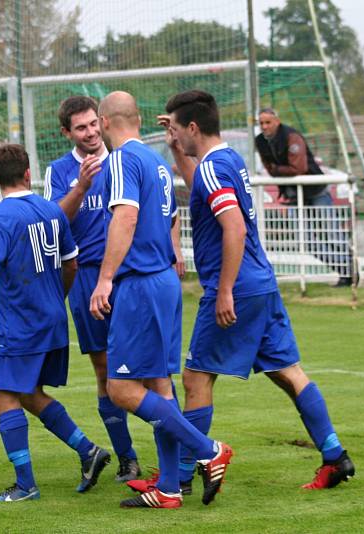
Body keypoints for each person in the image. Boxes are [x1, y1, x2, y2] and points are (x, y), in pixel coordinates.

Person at [147, 90, 354, 492]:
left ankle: (184, 475)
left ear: (193, 127)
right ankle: (335, 455)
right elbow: (205, 191)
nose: (174, 134)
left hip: (238, 288)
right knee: (287, 372)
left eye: (176, 128)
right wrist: (177, 152)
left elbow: (235, 228)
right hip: (261, 283)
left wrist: (224, 291)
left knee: (195, 377)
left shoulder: (212, 166)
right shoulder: (226, 160)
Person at [89, 91, 233, 509]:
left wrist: (105, 279)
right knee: (159, 386)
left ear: (103, 122)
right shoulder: (156, 162)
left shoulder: (122, 160)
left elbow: (126, 217)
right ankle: (169, 487)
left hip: (139, 284)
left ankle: (208, 450)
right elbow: (170, 220)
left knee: (120, 387)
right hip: (163, 280)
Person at [0, 144, 110, 503]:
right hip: (53, 321)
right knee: (28, 393)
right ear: (29, 173)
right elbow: (72, 263)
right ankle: (88, 451)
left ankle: (25, 484)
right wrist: (56, 298)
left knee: (3, 397)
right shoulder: (52, 211)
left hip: (21, 325)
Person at [42, 96, 141, 482]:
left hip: (129, 274)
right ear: (67, 132)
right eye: (80, 128)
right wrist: (80, 187)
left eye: (93, 125)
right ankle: (127, 457)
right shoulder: (60, 171)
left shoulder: (124, 159)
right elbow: (54, 222)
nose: (90, 133)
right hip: (85, 278)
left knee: (150, 369)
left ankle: (180, 454)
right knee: (104, 369)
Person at [255, 107, 353, 287]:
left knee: (330, 234)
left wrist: (277, 171)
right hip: (292, 194)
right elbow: (269, 168)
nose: (264, 126)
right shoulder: (260, 141)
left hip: (316, 190)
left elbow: (298, 168)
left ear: (277, 121)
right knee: (307, 241)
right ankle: (346, 270)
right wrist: (278, 171)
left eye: (268, 122)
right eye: (261, 123)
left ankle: (350, 266)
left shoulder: (292, 136)